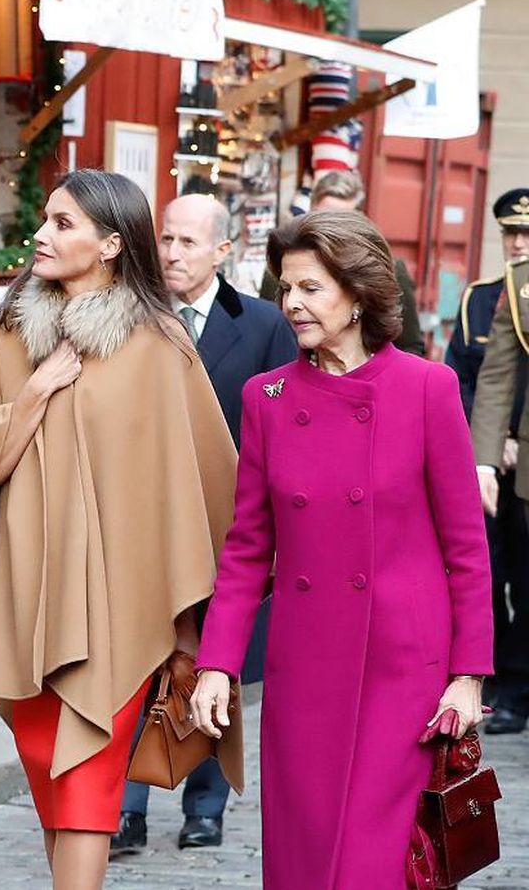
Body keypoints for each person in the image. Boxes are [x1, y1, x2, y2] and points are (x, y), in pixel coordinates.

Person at [0, 169, 241, 890]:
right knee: (49, 776)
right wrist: (32, 396)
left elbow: (202, 486)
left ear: (109, 244)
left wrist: (190, 628)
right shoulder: (13, 332)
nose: (42, 233)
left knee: (89, 786)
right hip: (27, 598)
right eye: (46, 219)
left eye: (63, 223)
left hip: (121, 611)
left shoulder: (159, 346)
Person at [191, 210, 492, 890]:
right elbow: (245, 551)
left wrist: (469, 675)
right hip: (307, 670)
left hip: (405, 673)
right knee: (303, 856)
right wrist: (217, 664)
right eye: (285, 288)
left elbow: (467, 548)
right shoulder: (265, 399)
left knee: (372, 865)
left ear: (357, 296)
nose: (291, 303)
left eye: (310, 288)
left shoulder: (426, 388)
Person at [113, 193, 297, 855]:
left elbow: (279, 429)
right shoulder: (129, 318)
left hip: (227, 527)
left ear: (223, 250)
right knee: (136, 662)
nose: (171, 253)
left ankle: (206, 805)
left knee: (215, 661)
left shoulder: (262, 325)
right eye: (165, 239)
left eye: (189, 242)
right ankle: (125, 806)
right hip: (140, 524)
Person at [465, 188, 529, 735]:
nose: (519, 245)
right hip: (503, 460)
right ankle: (504, 686)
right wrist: (487, 451)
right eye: (512, 234)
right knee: (497, 577)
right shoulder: (495, 295)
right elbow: (482, 379)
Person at [261, 170, 424, 356]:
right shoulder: (279, 273)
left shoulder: (388, 271)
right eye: (324, 217)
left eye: (343, 220)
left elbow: (411, 345)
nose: (333, 230)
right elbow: (264, 341)